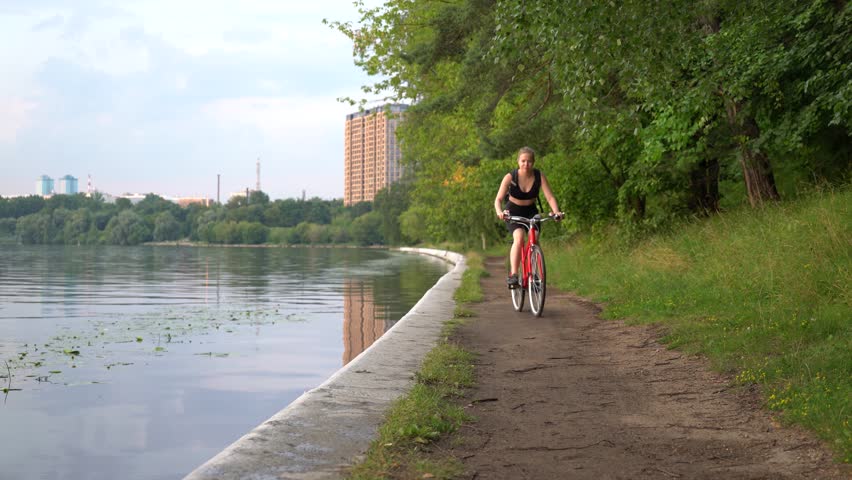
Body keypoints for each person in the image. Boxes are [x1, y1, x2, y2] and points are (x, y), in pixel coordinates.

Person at [494, 147, 563, 288]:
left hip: (531, 211)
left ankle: (534, 274)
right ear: (518, 161)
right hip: (513, 211)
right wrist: (500, 211)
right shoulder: (510, 177)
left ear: (533, 162)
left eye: (529, 161)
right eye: (523, 161)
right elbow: (498, 199)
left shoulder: (539, 176)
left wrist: (556, 211)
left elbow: (549, 197)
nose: (526, 164)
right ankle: (514, 275)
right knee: (519, 238)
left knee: (534, 239)